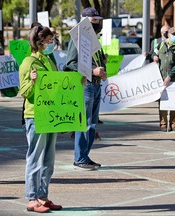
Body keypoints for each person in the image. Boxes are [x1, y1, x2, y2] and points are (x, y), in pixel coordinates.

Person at [19, 25, 62, 213]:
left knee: (49, 159)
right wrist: (34, 81)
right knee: (35, 158)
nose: (52, 43)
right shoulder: (29, 62)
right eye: (49, 40)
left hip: (50, 114)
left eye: (53, 40)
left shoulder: (48, 60)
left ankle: (43, 196)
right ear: (39, 42)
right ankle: (31, 198)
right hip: (35, 115)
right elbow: (25, 92)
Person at [65, 7, 107, 170]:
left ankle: (85, 156)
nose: (97, 23)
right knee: (84, 124)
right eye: (93, 21)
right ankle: (80, 157)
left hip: (96, 84)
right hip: (86, 85)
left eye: (98, 20)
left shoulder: (94, 40)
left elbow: (97, 62)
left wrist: (102, 70)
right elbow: (71, 64)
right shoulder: (77, 39)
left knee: (92, 124)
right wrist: (92, 71)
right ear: (84, 22)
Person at [152, 27, 175, 132]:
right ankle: (163, 124)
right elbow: (154, 53)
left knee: (174, 101)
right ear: (168, 35)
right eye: (173, 34)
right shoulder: (161, 44)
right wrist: (154, 57)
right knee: (163, 101)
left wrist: (169, 76)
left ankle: (174, 124)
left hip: (174, 78)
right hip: (161, 77)